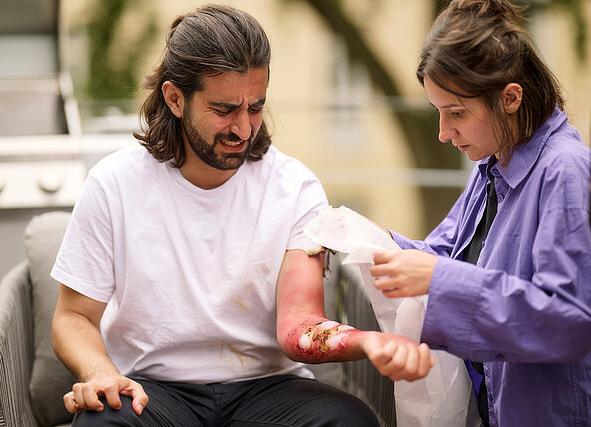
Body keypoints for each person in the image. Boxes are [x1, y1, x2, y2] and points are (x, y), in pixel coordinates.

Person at [51, 4, 433, 426]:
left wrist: (367, 342)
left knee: (349, 420)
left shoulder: (295, 186)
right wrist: (101, 374)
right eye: (224, 109)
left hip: (268, 387)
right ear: (175, 98)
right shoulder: (113, 183)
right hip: (152, 389)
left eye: (255, 106)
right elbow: (73, 317)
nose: (244, 128)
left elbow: (299, 324)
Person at [368, 1, 591, 426]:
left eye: (456, 113)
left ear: (510, 98)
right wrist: (377, 241)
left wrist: (435, 278)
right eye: (438, 112)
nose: (443, 132)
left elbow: (569, 321)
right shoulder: (494, 162)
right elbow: (447, 255)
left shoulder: (566, 171)